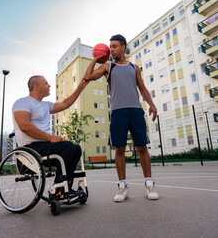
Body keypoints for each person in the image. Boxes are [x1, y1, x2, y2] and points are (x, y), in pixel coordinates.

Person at [84, 34, 159, 201]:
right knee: (119, 149)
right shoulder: (107, 67)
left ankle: (149, 184)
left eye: (114, 46)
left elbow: (142, 88)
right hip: (118, 112)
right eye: (110, 46)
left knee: (142, 148)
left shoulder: (134, 67)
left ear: (123, 47)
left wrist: (152, 105)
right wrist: (95, 59)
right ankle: (122, 186)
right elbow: (87, 77)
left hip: (136, 111)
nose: (111, 49)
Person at [12, 75, 89, 194]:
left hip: (45, 146)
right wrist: (50, 137)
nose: (49, 86)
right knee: (67, 146)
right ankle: (58, 188)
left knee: (76, 149)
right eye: (46, 83)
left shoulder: (46, 105)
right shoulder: (22, 103)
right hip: (30, 148)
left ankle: (65, 187)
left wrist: (79, 89)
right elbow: (24, 126)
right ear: (36, 87)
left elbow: (65, 104)